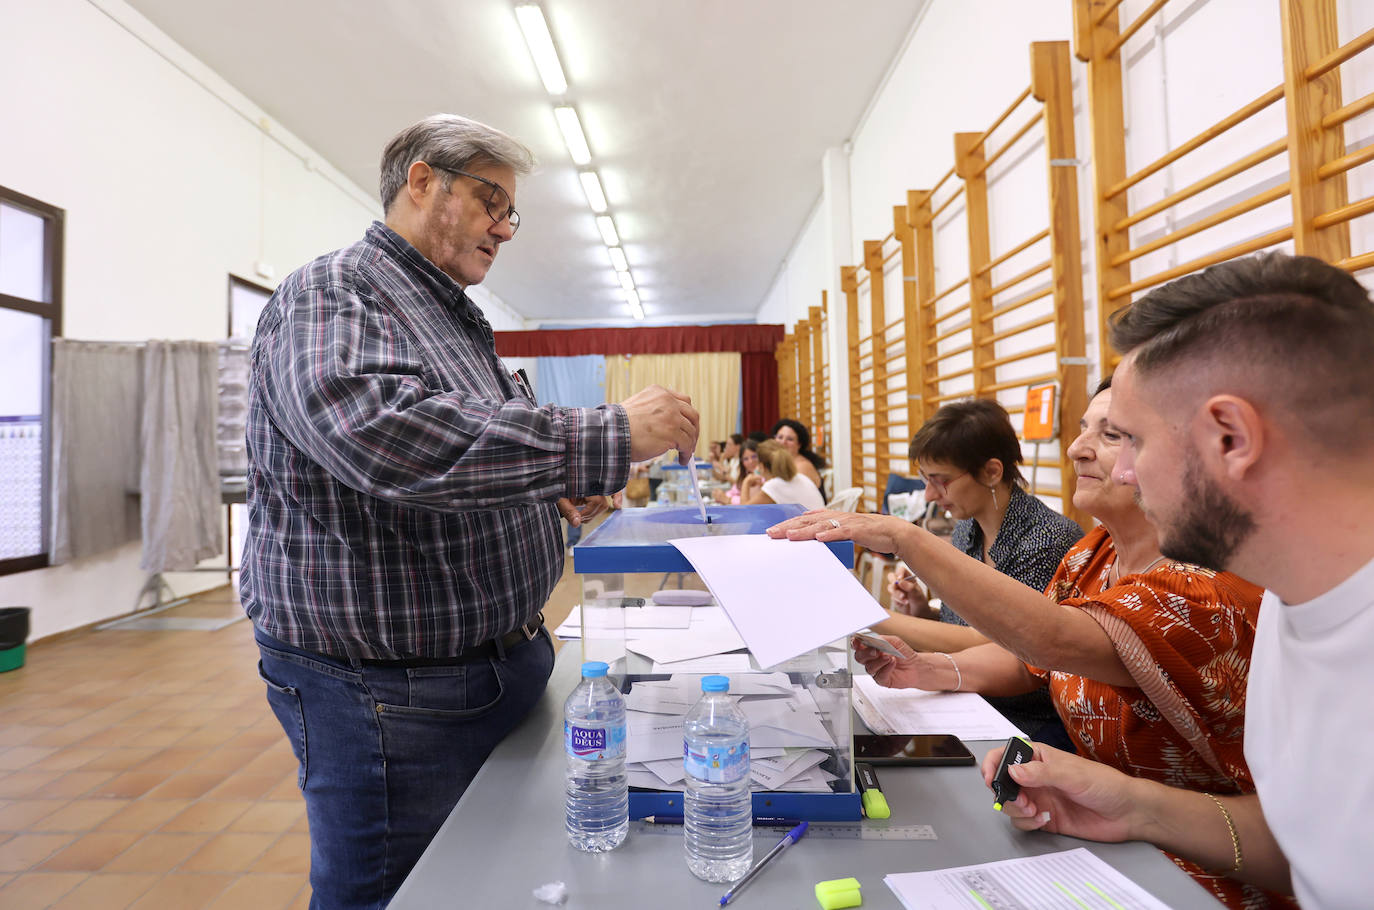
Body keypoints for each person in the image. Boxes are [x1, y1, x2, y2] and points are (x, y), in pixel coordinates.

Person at [240, 113, 700, 910]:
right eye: (492, 200)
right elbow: (377, 435)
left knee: (480, 883)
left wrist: (547, 487)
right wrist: (608, 435)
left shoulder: (452, 316)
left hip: (484, 667)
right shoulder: (334, 290)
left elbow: (457, 456)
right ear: (421, 181)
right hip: (386, 690)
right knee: (391, 891)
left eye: (511, 210)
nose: (505, 227)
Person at [969, 252, 1374, 909]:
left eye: (1131, 439)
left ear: (1231, 438)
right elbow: (1307, 843)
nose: (1121, 472)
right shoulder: (1287, 604)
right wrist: (1131, 806)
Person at [843, 380, 1280, 908]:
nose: (1077, 448)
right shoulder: (1092, 554)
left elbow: (1054, 639)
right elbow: (1030, 660)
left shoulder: (1202, 585)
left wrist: (905, 540)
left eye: (1114, 433)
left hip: (1201, 868)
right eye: (1082, 430)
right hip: (1112, 832)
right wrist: (934, 670)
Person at [866, 398, 1084, 747]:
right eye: (925, 479)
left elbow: (996, 643)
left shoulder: (1046, 540)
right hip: (969, 698)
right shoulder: (967, 529)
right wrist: (924, 611)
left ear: (992, 472)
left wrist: (872, 616)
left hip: (1028, 720)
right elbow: (965, 627)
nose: (930, 494)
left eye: (941, 481)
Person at [739, 440, 824, 509]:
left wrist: (746, 483)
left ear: (761, 466)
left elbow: (745, 513)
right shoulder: (802, 477)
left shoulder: (774, 485)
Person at [771, 418, 826, 495]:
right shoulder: (780, 463)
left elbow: (791, 496)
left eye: (790, 439)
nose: (783, 442)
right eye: (780, 437)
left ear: (799, 444)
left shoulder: (802, 466)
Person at [712, 437, 759, 505]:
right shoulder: (745, 472)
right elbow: (734, 489)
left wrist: (728, 499)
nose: (750, 461)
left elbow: (749, 502)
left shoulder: (761, 477)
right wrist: (721, 495)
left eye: (754, 457)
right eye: (746, 459)